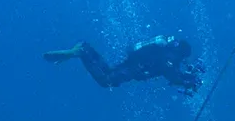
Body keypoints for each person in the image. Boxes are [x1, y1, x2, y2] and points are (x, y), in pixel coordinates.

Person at [44, 35, 205, 93]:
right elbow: (170, 72)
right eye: (183, 58)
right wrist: (187, 80)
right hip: (135, 68)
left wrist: (186, 78)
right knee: (106, 81)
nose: (182, 61)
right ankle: (83, 51)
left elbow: (171, 71)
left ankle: (85, 48)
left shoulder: (167, 52)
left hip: (134, 63)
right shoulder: (170, 56)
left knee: (107, 72)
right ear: (182, 53)